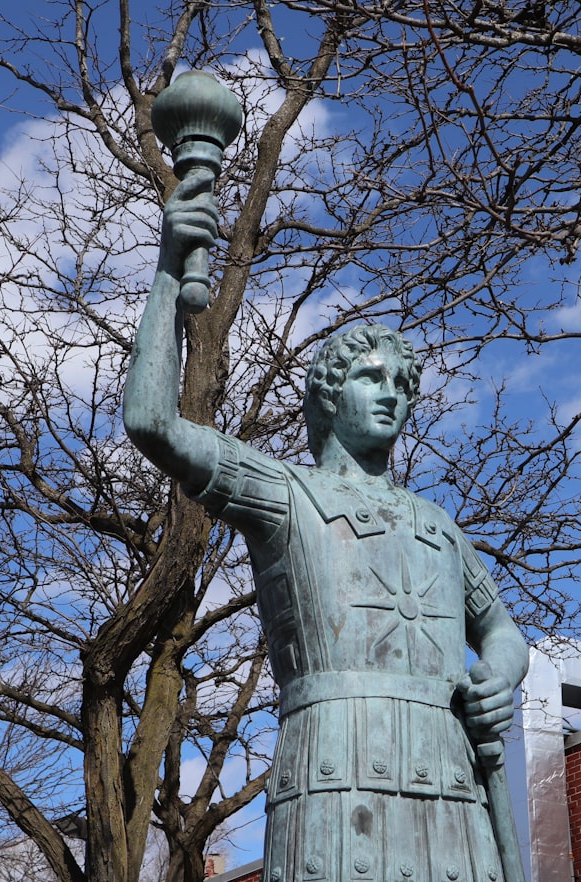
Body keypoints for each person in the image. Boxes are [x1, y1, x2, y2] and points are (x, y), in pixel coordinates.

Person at [124, 171, 529, 882]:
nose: (393, 396)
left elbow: (498, 629)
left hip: (451, 781)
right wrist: (167, 268)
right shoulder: (285, 494)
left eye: (404, 385)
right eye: (372, 379)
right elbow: (152, 422)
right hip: (334, 775)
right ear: (328, 395)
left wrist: (498, 673)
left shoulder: (436, 523)